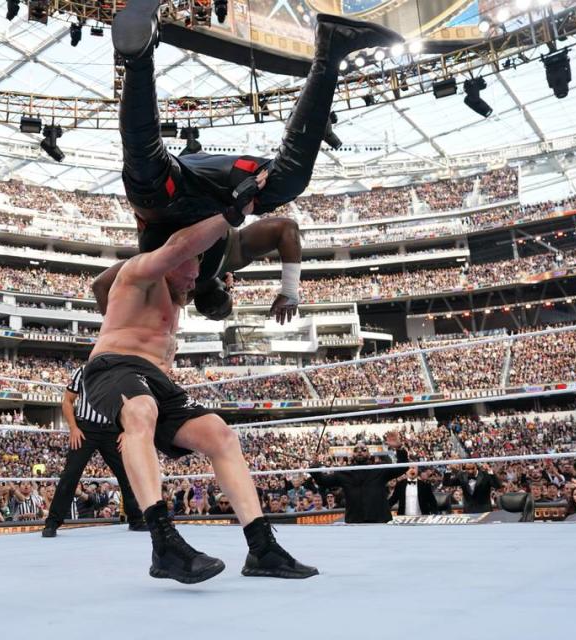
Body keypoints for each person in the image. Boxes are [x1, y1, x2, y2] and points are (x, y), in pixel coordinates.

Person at [109, 0, 401, 319]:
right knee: (143, 153)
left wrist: (288, 289)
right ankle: (139, 57)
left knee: (285, 181)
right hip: (197, 192)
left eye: (189, 283)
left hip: (184, 203)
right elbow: (101, 286)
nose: (194, 277)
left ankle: (332, 48)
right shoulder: (221, 260)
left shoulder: (201, 269)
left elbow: (185, 246)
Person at [82, 213, 317, 582]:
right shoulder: (140, 272)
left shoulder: (178, 297)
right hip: (113, 367)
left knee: (219, 434)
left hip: (158, 380)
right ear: (170, 260)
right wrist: (230, 212)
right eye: (190, 268)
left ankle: (262, 548)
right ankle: (164, 544)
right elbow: (179, 246)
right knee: (140, 411)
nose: (195, 277)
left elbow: (195, 278)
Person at [94, 217, 303, 322]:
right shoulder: (159, 276)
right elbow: (99, 285)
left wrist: (289, 292)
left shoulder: (232, 256)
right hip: (153, 199)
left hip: (190, 183)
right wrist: (115, 328)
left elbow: (287, 228)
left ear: (225, 286)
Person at [42, 365, 146, 537]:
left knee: (127, 472)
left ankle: (135, 519)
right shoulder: (82, 371)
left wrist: (126, 430)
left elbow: (129, 405)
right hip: (85, 429)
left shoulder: (121, 371)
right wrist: (73, 427)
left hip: (112, 429)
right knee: (71, 474)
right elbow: (68, 400)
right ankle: (52, 522)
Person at [311, 434, 409, 523]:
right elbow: (322, 481)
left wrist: (399, 448)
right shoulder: (343, 472)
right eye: (356, 450)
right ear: (352, 455)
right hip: (355, 521)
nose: (359, 451)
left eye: (363, 449)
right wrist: (314, 466)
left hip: (379, 519)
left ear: (369, 454)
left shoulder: (379, 468)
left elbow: (403, 467)